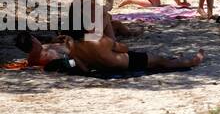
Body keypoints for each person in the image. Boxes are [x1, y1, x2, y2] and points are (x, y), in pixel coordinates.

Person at [54, 32, 203, 75]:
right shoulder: (95, 39)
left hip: (102, 68)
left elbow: (84, 69)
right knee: (161, 61)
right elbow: (124, 48)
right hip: (127, 62)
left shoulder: (71, 46)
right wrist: (111, 41)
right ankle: (192, 61)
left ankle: (181, 60)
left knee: (160, 61)